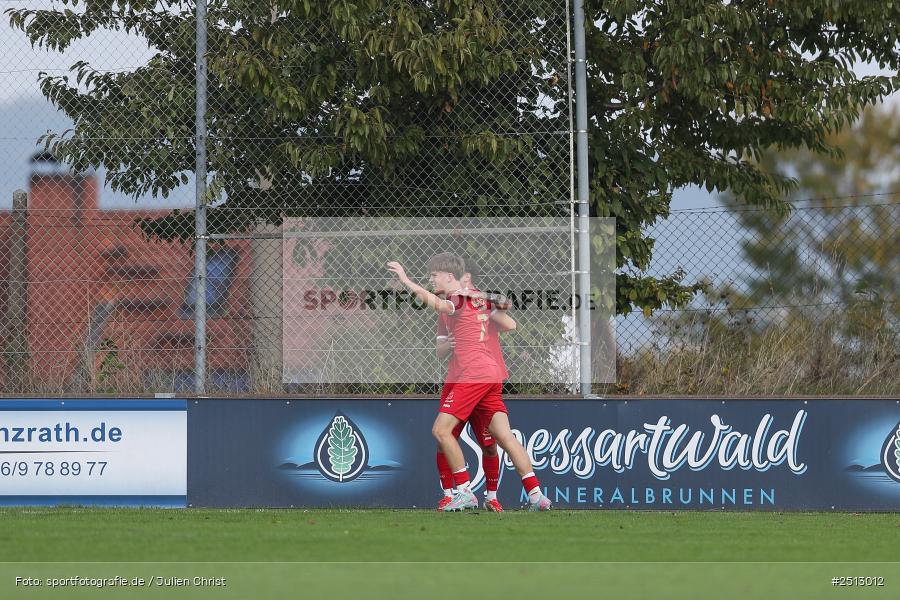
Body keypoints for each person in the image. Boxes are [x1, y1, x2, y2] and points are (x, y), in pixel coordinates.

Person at [387, 253, 551, 512]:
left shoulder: (456, 298)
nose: (431, 279)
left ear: (449, 277)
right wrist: (491, 300)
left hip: (473, 375)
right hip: (491, 375)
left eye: (434, 275)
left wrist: (406, 280)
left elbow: (436, 304)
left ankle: (464, 492)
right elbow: (508, 319)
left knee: (441, 431)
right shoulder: (475, 299)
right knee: (504, 436)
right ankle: (537, 496)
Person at [435, 257, 512, 512]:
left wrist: (492, 307)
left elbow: (511, 322)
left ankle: (492, 497)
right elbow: (440, 350)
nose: (464, 284)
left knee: (489, 444)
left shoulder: (482, 303)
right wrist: (450, 345)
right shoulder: (448, 308)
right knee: (444, 436)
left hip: (483, 379)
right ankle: (450, 494)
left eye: (467, 280)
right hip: (458, 379)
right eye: (461, 280)